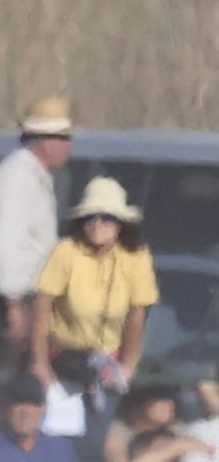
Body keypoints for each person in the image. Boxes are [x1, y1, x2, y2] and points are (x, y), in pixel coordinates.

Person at [32, 177, 156, 417]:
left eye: (107, 218)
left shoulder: (137, 256)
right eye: (91, 217)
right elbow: (42, 309)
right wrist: (40, 364)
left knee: (96, 436)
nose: (98, 224)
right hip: (64, 359)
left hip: (109, 362)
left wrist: (127, 365)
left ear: (120, 223)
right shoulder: (66, 250)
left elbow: (136, 316)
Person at [0, 97, 73, 368]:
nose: (68, 146)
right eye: (63, 138)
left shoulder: (33, 175)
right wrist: (13, 308)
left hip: (24, 297)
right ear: (45, 141)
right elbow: (5, 240)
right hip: (4, 300)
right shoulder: (17, 176)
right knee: (4, 377)